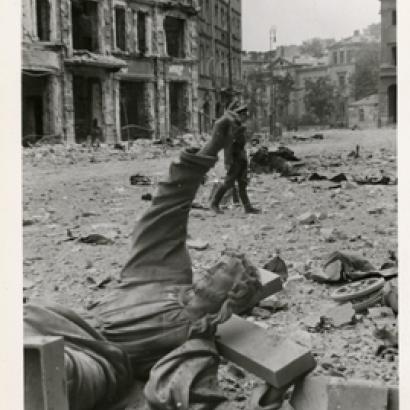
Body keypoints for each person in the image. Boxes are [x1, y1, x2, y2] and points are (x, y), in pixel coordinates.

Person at [24, 129, 289, 410]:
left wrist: (266, 400)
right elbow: (168, 205)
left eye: (222, 270)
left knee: (54, 370)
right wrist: (213, 144)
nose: (209, 268)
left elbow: (193, 396)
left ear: (231, 295)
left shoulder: (194, 342)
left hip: (100, 362)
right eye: (215, 263)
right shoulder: (163, 275)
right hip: (61, 325)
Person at [210, 105, 260, 214]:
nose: (245, 118)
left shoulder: (240, 127)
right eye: (244, 116)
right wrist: (228, 162)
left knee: (242, 183)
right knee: (228, 183)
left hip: (241, 159)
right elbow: (228, 146)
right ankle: (214, 203)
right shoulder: (233, 128)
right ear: (240, 115)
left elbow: (242, 145)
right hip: (235, 159)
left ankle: (247, 207)